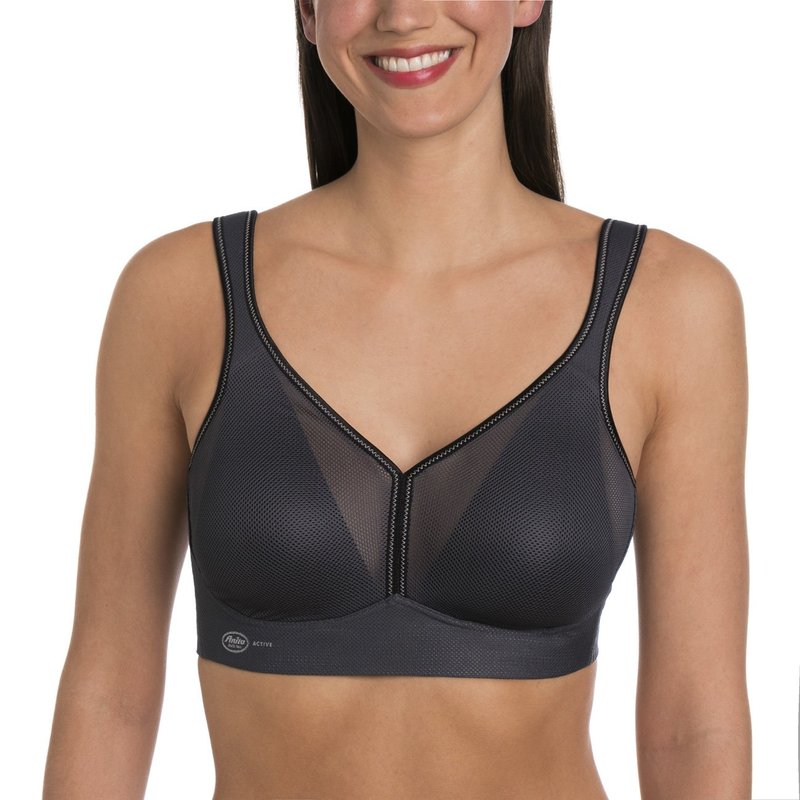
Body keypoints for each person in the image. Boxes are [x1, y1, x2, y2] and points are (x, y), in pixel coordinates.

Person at [42, 1, 752, 798]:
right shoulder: (182, 296)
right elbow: (110, 696)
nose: (406, 14)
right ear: (309, 11)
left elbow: (695, 724)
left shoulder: (668, 305)